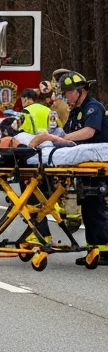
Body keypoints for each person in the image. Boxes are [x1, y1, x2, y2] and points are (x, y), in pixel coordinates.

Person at [36, 73, 108, 260]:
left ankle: (104, 252)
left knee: (96, 207)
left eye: (68, 93)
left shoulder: (94, 108)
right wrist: (54, 135)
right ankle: (94, 252)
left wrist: (64, 138)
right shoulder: (76, 111)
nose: (66, 96)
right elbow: (67, 131)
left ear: (80, 91)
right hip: (85, 166)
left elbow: (89, 131)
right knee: (89, 207)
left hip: (98, 165)